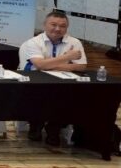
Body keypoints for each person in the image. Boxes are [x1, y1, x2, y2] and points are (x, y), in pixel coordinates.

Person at [20, 11, 88, 147]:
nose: (57, 29)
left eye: (62, 26)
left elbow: (81, 66)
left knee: (69, 95)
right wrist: (67, 58)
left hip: (63, 84)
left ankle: (54, 128)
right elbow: (40, 65)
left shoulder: (74, 42)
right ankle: (36, 124)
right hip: (36, 83)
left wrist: (49, 65)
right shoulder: (33, 42)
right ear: (44, 25)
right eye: (53, 24)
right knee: (39, 94)